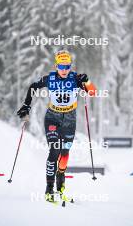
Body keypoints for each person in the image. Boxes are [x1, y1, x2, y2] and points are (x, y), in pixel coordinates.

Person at [17, 50, 97, 202]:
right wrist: (26, 105)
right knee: (54, 150)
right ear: (56, 66)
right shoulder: (49, 79)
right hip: (52, 118)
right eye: (61, 66)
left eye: (67, 66)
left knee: (65, 153)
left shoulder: (76, 79)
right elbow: (33, 87)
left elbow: (92, 92)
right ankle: (49, 188)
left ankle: (61, 181)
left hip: (69, 120)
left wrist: (86, 81)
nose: (64, 70)